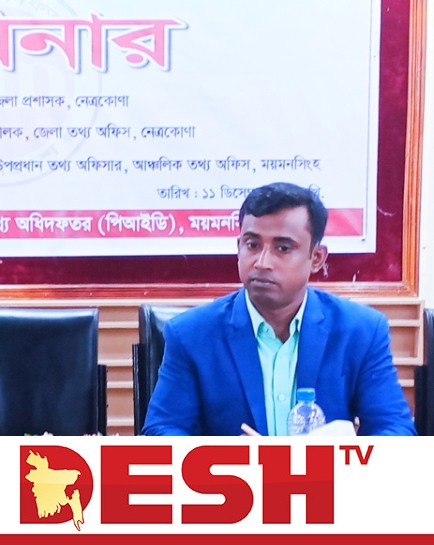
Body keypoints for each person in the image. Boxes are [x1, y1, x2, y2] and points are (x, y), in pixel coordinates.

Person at [143, 182, 416, 436]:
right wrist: (227, 457)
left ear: (316, 258)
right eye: (252, 245)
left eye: (283, 248)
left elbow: (396, 429)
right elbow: (161, 430)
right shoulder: (191, 335)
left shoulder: (361, 331)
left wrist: (342, 457)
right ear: (238, 247)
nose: (262, 262)